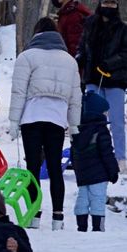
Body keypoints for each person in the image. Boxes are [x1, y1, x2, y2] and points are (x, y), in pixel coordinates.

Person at [8, 17, 82, 230]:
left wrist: (14, 121)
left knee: (32, 168)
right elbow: (75, 97)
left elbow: (19, 91)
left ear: (36, 33)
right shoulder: (69, 60)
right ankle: (58, 219)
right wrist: (74, 124)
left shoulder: (27, 57)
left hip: (32, 116)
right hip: (57, 119)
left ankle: (34, 215)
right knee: (54, 168)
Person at [76, 0, 127, 177]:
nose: (109, 7)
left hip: (115, 81)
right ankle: (90, 155)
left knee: (117, 121)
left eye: (113, 4)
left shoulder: (122, 28)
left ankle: (121, 158)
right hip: (92, 78)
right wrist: (79, 59)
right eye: (106, 2)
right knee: (90, 120)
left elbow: (125, 54)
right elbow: (82, 47)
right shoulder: (90, 24)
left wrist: (110, 64)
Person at [72, 91, 121, 231]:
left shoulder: (78, 131)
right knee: (98, 199)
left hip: (83, 175)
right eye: (105, 111)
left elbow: (74, 155)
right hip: (99, 175)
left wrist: (78, 173)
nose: (106, 114)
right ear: (98, 112)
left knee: (82, 199)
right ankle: (98, 228)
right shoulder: (101, 131)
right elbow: (107, 153)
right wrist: (113, 172)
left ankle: (81, 227)